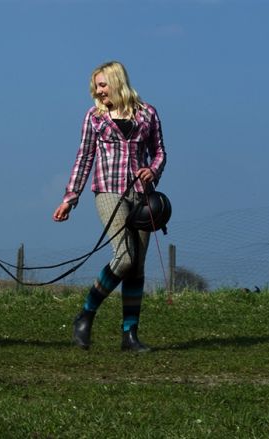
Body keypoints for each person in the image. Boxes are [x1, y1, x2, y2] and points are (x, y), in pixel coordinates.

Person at [53, 61, 167, 352]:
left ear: (117, 82)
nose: (98, 91)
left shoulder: (148, 113)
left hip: (141, 194)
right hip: (108, 191)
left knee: (137, 266)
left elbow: (160, 152)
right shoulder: (94, 117)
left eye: (102, 84)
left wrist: (153, 170)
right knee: (125, 256)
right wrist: (70, 197)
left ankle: (130, 335)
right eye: (96, 86)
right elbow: (84, 158)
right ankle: (86, 313)